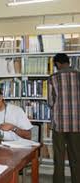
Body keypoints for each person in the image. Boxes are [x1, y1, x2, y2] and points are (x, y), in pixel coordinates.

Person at [48, 53, 80, 183]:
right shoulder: (79, 76)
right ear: (68, 62)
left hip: (59, 125)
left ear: (58, 64)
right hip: (77, 125)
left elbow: (50, 102)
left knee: (59, 159)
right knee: (76, 158)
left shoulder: (53, 78)